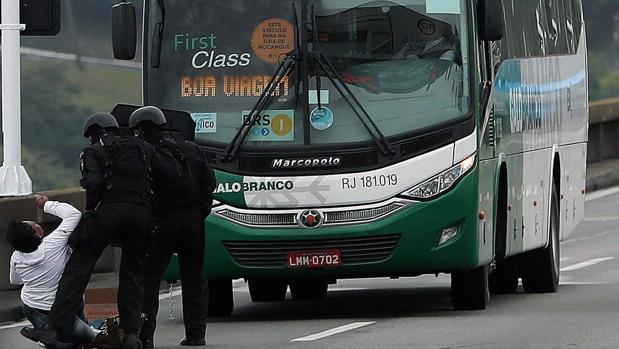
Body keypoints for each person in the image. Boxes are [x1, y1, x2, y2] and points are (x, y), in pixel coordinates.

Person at [34, 112, 180, 349]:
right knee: (132, 274)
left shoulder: (93, 151)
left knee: (78, 268)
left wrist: (91, 212)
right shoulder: (143, 147)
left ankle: (54, 329)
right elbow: (170, 176)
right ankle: (132, 334)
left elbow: (93, 184)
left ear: (94, 132)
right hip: (141, 215)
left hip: (109, 213)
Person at [129, 106, 216, 348]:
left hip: (162, 219)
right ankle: (196, 334)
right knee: (194, 276)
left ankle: (145, 336)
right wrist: (200, 211)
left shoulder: (146, 152)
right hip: (192, 218)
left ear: (141, 129)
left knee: (149, 278)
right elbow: (210, 181)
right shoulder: (190, 147)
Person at [6, 196, 113, 348]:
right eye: (34, 224)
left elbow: (15, 281)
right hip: (66, 305)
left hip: (34, 307)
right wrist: (46, 204)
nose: (35, 222)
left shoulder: (16, 257)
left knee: (70, 340)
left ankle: (50, 336)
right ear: (38, 234)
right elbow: (74, 214)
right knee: (90, 339)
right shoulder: (54, 243)